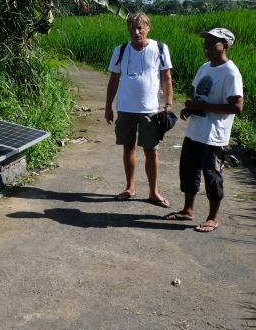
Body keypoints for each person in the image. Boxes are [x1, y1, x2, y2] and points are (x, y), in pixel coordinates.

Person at [164, 28, 243, 232]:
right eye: (205, 43)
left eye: (212, 43)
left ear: (225, 46)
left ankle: (212, 218)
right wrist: (190, 109)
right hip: (195, 131)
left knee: (212, 176)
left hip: (214, 136)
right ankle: (187, 210)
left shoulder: (231, 73)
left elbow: (237, 107)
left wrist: (202, 107)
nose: (206, 47)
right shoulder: (204, 67)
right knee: (189, 173)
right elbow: (200, 97)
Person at [104, 12, 174, 207]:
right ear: (128, 30)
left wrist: (168, 102)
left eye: (140, 27)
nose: (136, 32)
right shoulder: (120, 50)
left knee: (151, 150)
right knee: (128, 147)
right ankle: (130, 187)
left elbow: (166, 77)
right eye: (132, 28)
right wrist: (108, 106)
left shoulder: (159, 48)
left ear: (148, 28)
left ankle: (153, 192)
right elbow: (113, 79)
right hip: (126, 108)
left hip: (151, 109)